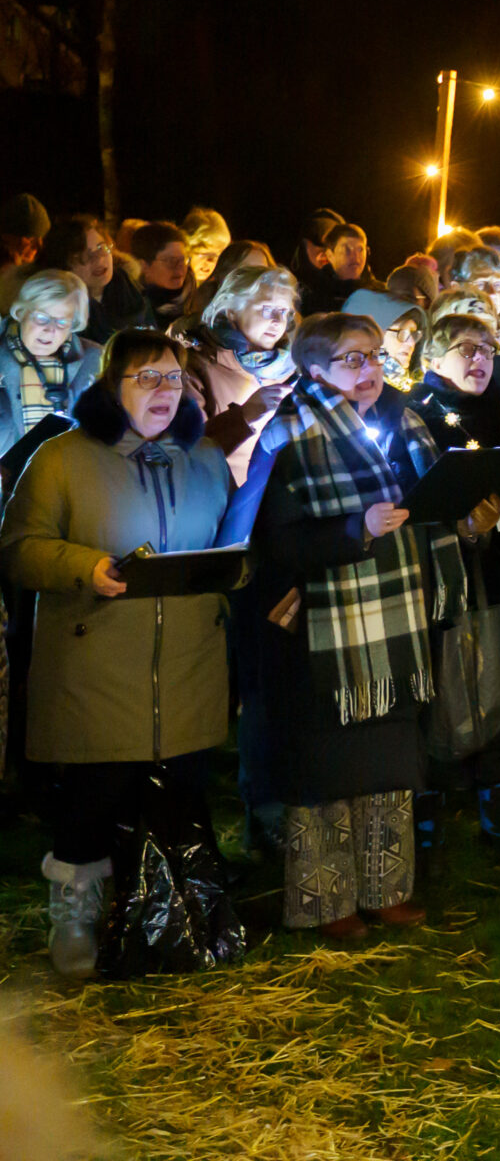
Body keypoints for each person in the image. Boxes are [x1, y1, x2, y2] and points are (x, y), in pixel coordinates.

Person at [241, 312, 484, 940]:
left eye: (375, 356)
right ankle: (326, 899)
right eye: (353, 359)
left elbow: (431, 510)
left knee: (390, 758)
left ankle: (387, 885)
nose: (370, 369)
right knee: (327, 767)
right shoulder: (287, 435)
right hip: (326, 636)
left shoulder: (407, 423)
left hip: (398, 624)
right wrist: (356, 530)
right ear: (314, 369)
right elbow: (273, 542)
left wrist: (467, 518)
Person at [5, 330, 235, 977]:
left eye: (174, 378)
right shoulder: (61, 459)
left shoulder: (207, 460)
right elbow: (18, 547)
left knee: (176, 797)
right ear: (112, 385)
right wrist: (85, 565)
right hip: (96, 659)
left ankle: (164, 912)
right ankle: (75, 912)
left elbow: (226, 541)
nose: (164, 391)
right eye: (147, 378)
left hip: (184, 664)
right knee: (92, 795)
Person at [407, 314, 500, 868]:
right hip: (438, 582)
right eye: (465, 348)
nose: (481, 358)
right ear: (433, 357)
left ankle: (499, 810)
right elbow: (410, 501)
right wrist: (459, 529)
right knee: (441, 692)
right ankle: (427, 817)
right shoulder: (416, 416)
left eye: (487, 348)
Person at [176, 264, 298, 484]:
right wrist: (244, 417)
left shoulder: (292, 369)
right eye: (267, 309)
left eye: (284, 312)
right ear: (232, 311)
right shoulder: (195, 366)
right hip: (222, 500)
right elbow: (187, 453)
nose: (278, 321)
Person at [0, 270, 101, 471]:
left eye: (62, 321)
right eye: (41, 317)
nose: (50, 329)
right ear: (21, 312)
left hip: (68, 484)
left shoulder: (96, 362)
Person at [130, 222, 192, 321]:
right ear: (143, 265)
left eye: (184, 260)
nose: (179, 267)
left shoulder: (201, 305)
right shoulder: (130, 310)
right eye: (170, 261)